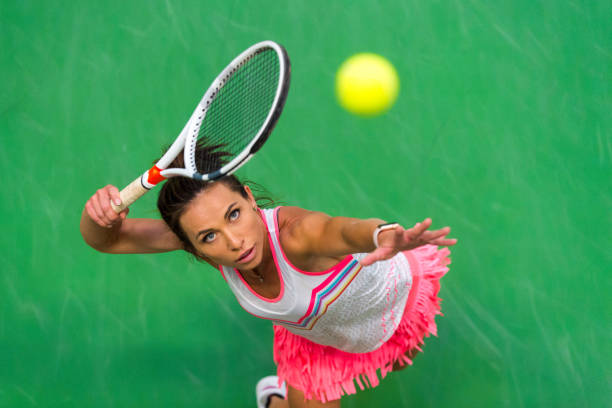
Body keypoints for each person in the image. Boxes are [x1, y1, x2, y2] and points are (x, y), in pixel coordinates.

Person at [80, 150, 456, 408]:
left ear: (249, 198)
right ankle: (279, 395)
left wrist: (382, 233)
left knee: (398, 362)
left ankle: (277, 397)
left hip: (392, 302)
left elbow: (340, 230)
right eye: (208, 236)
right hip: (315, 339)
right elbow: (108, 240)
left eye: (233, 214)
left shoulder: (297, 236)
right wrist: (97, 218)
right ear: (192, 246)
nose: (235, 241)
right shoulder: (218, 253)